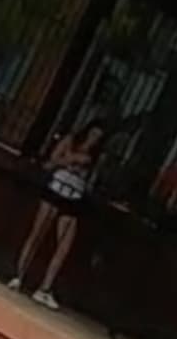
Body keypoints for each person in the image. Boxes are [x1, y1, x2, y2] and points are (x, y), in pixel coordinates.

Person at [13, 121, 109, 308]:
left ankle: (45, 288)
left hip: (74, 196)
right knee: (37, 233)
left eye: (98, 138)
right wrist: (70, 160)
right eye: (92, 134)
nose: (93, 140)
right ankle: (19, 275)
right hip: (56, 189)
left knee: (64, 245)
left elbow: (92, 182)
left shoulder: (97, 157)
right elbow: (50, 163)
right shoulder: (69, 141)